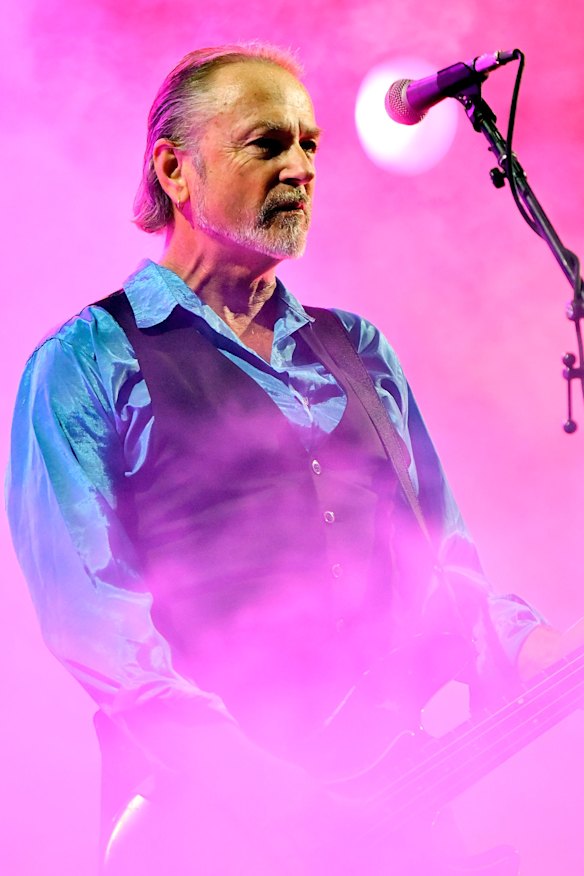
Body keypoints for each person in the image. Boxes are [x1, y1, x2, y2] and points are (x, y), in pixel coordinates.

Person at [6, 43, 582, 875]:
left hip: (399, 808)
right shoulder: (86, 364)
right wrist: (274, 800)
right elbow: (101, 637)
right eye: (267, 143)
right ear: (174, 170)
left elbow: (441, 573)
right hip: (211, 840)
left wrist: (533, 650)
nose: (301, 168)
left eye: (310, 145)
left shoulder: (360, 350)